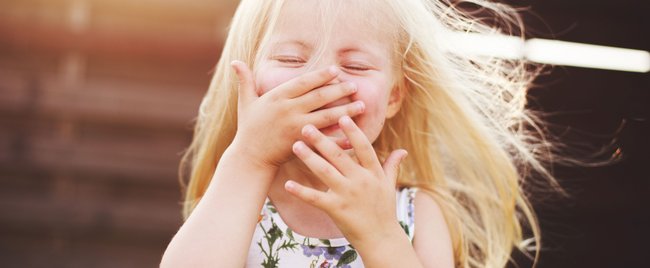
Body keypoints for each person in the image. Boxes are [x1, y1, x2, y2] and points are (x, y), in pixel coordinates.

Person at [161, 0, 557, 267]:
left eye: (355, 66)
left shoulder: (416, 212)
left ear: (393, 98)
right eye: (290, 59)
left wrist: (380, 233)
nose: (319, 81)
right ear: (248, 81)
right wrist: (248, 158)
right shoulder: (240, 192)